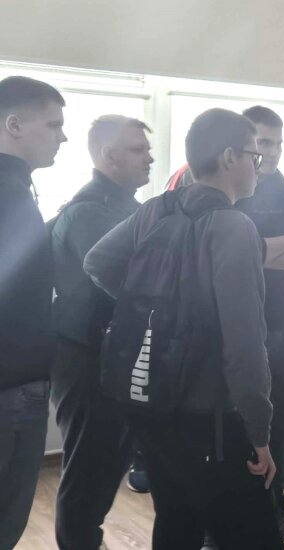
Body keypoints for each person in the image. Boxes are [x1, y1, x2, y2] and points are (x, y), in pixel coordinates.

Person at [84, 108, 283, 549]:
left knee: (177, 520)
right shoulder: (233, 226)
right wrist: (260, 434)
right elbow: (246, 343)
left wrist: (155, 308)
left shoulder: (157, 208)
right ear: (229, 157)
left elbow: (98, 262)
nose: (259, 166)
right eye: (254, 155)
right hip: (210, 415)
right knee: (253, 535)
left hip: (153, 403)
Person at [167, 106, 284, 548]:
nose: (269, 152)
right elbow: (203, 253)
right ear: (236, 149)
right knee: (224, 431)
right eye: (261, 144)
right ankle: (215, 526)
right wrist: (282, 245)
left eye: (277, 143)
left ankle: (273, 508)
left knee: (275, 427)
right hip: (222, 332)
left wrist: (247, 250)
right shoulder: (212, 191)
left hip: (283, 326)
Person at [50, 115, 153, 549]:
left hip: (113, 355)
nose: (149, 158)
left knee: (108, 465)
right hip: (86, 358)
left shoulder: (128, 207)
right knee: (89, 473)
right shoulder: (89, 212)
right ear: (109, 157)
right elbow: (135, 280)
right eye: (138, 150)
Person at [0, 76, 67, 549]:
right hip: (11, 386)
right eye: (53, 125)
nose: (63, 136)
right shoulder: (8, 194)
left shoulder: (15, 190)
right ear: (13, 124)